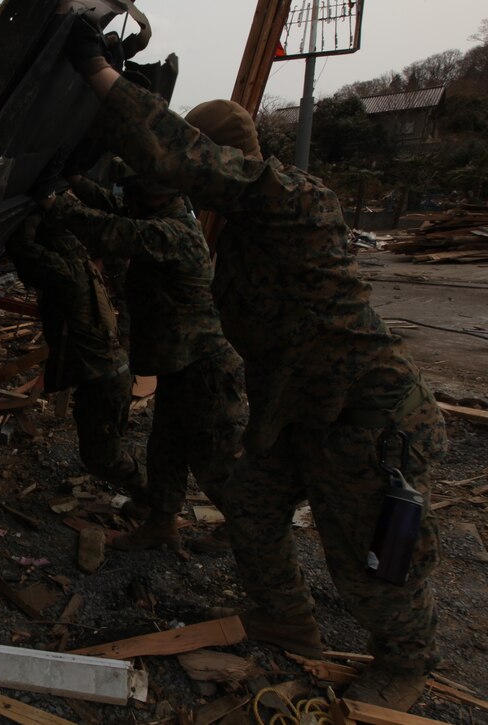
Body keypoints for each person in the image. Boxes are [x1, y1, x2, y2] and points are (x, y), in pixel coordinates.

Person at [62, 27, 447, 711]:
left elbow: (188, 163)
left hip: (365, 410)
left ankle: (407, 659)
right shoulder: (238, 234)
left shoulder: (291, 197)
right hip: (295, 406)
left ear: (227, 157)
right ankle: (286, 618)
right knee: (250, 504)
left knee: (368, 554)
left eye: (203, 164)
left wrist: (97, 70)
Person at [45, 165, 247, 553]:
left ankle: (251, 533)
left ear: (152, 193)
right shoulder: (160, 212)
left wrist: (54, 204)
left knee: (214, 458)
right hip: (178, 364)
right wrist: (76, 180)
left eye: (134, 191)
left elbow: (115, 231)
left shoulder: (174, 233)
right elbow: (116, 209)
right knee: (166, 449)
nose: (128, 199)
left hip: (205, 366)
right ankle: (162, 524)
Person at [6, 212, 143, 493]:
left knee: (102, 459)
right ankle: (151, 483)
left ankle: (154, 499)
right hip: (108, 377)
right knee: (104, 447)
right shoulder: (82, 267)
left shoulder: (66, 271)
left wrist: (28, 217)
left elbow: (23, 252)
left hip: (104, 382)